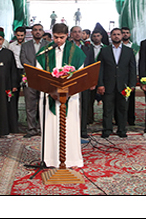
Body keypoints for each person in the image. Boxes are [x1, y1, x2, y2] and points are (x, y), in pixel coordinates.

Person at [36, 23, 86, 168]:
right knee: (50, 124)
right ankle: (50, 159)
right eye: (56, 37)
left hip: (69, 97)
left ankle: (71, 160)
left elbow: (80, 75)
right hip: (49, 95)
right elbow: (39, 72)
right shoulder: (45, 51)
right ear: (52, 35)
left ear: (67, 36)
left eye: (62, 37)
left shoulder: (76, 52)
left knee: (69, 125)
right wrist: (50, 90)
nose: (58, 40)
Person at [97, 28, 136, 138]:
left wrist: (132, 84)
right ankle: (107, 129)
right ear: (111, 36)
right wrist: (100, 84)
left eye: (119, 34)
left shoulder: (129, 51)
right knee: (107, 109)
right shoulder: (104, 50)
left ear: (122, 36)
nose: (117, 36)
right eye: (114, 34)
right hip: (108, 84)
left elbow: (132, 69)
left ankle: (122, 129)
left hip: (123, 86)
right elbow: (100, 69)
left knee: (123, 108)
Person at [20, 23, 49, 138]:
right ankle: (31, 129)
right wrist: (33, 70)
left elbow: (50, 60)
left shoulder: (49, 45)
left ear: (43, 32)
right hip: (30, 78)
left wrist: (40, 70)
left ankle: (44, 129)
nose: (37, 32)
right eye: (35, 30)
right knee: (30, 105)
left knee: (44, 105)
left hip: (44, 79)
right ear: (31, 32)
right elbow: (23, 59)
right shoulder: (25, 45)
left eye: (40, 30)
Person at [82, 30, 105, 134]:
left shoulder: (106, 48)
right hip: (90, 76)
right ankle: (88, 119)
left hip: (103, 77)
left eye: (98, 36)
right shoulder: (87, 48)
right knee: (89, 99)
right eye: (94, 36)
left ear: (101, 37)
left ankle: (106, 122)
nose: (96, 38)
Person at [8, 26, 27, 123]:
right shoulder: (11, 46)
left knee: (28, 95)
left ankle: (29, 120)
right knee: (14, 94)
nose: (20, 37)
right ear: (15, 35)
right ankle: (13, 119)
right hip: (15, 71)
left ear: (25, 35)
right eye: (18, 35)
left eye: (22, 35)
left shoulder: (28, 45)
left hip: (25, 71)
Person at [122, 26, 140, 126]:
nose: (125, 34)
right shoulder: (117, 46)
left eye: (127, 32)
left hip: (130, 76)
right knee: (120, 98)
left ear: (130, 34)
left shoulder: (135, 48)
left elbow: (137, 63)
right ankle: (119, 119)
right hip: (119, 76)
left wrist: (136, 76)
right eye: (123, 32)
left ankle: (131, 118)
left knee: (131, 98)